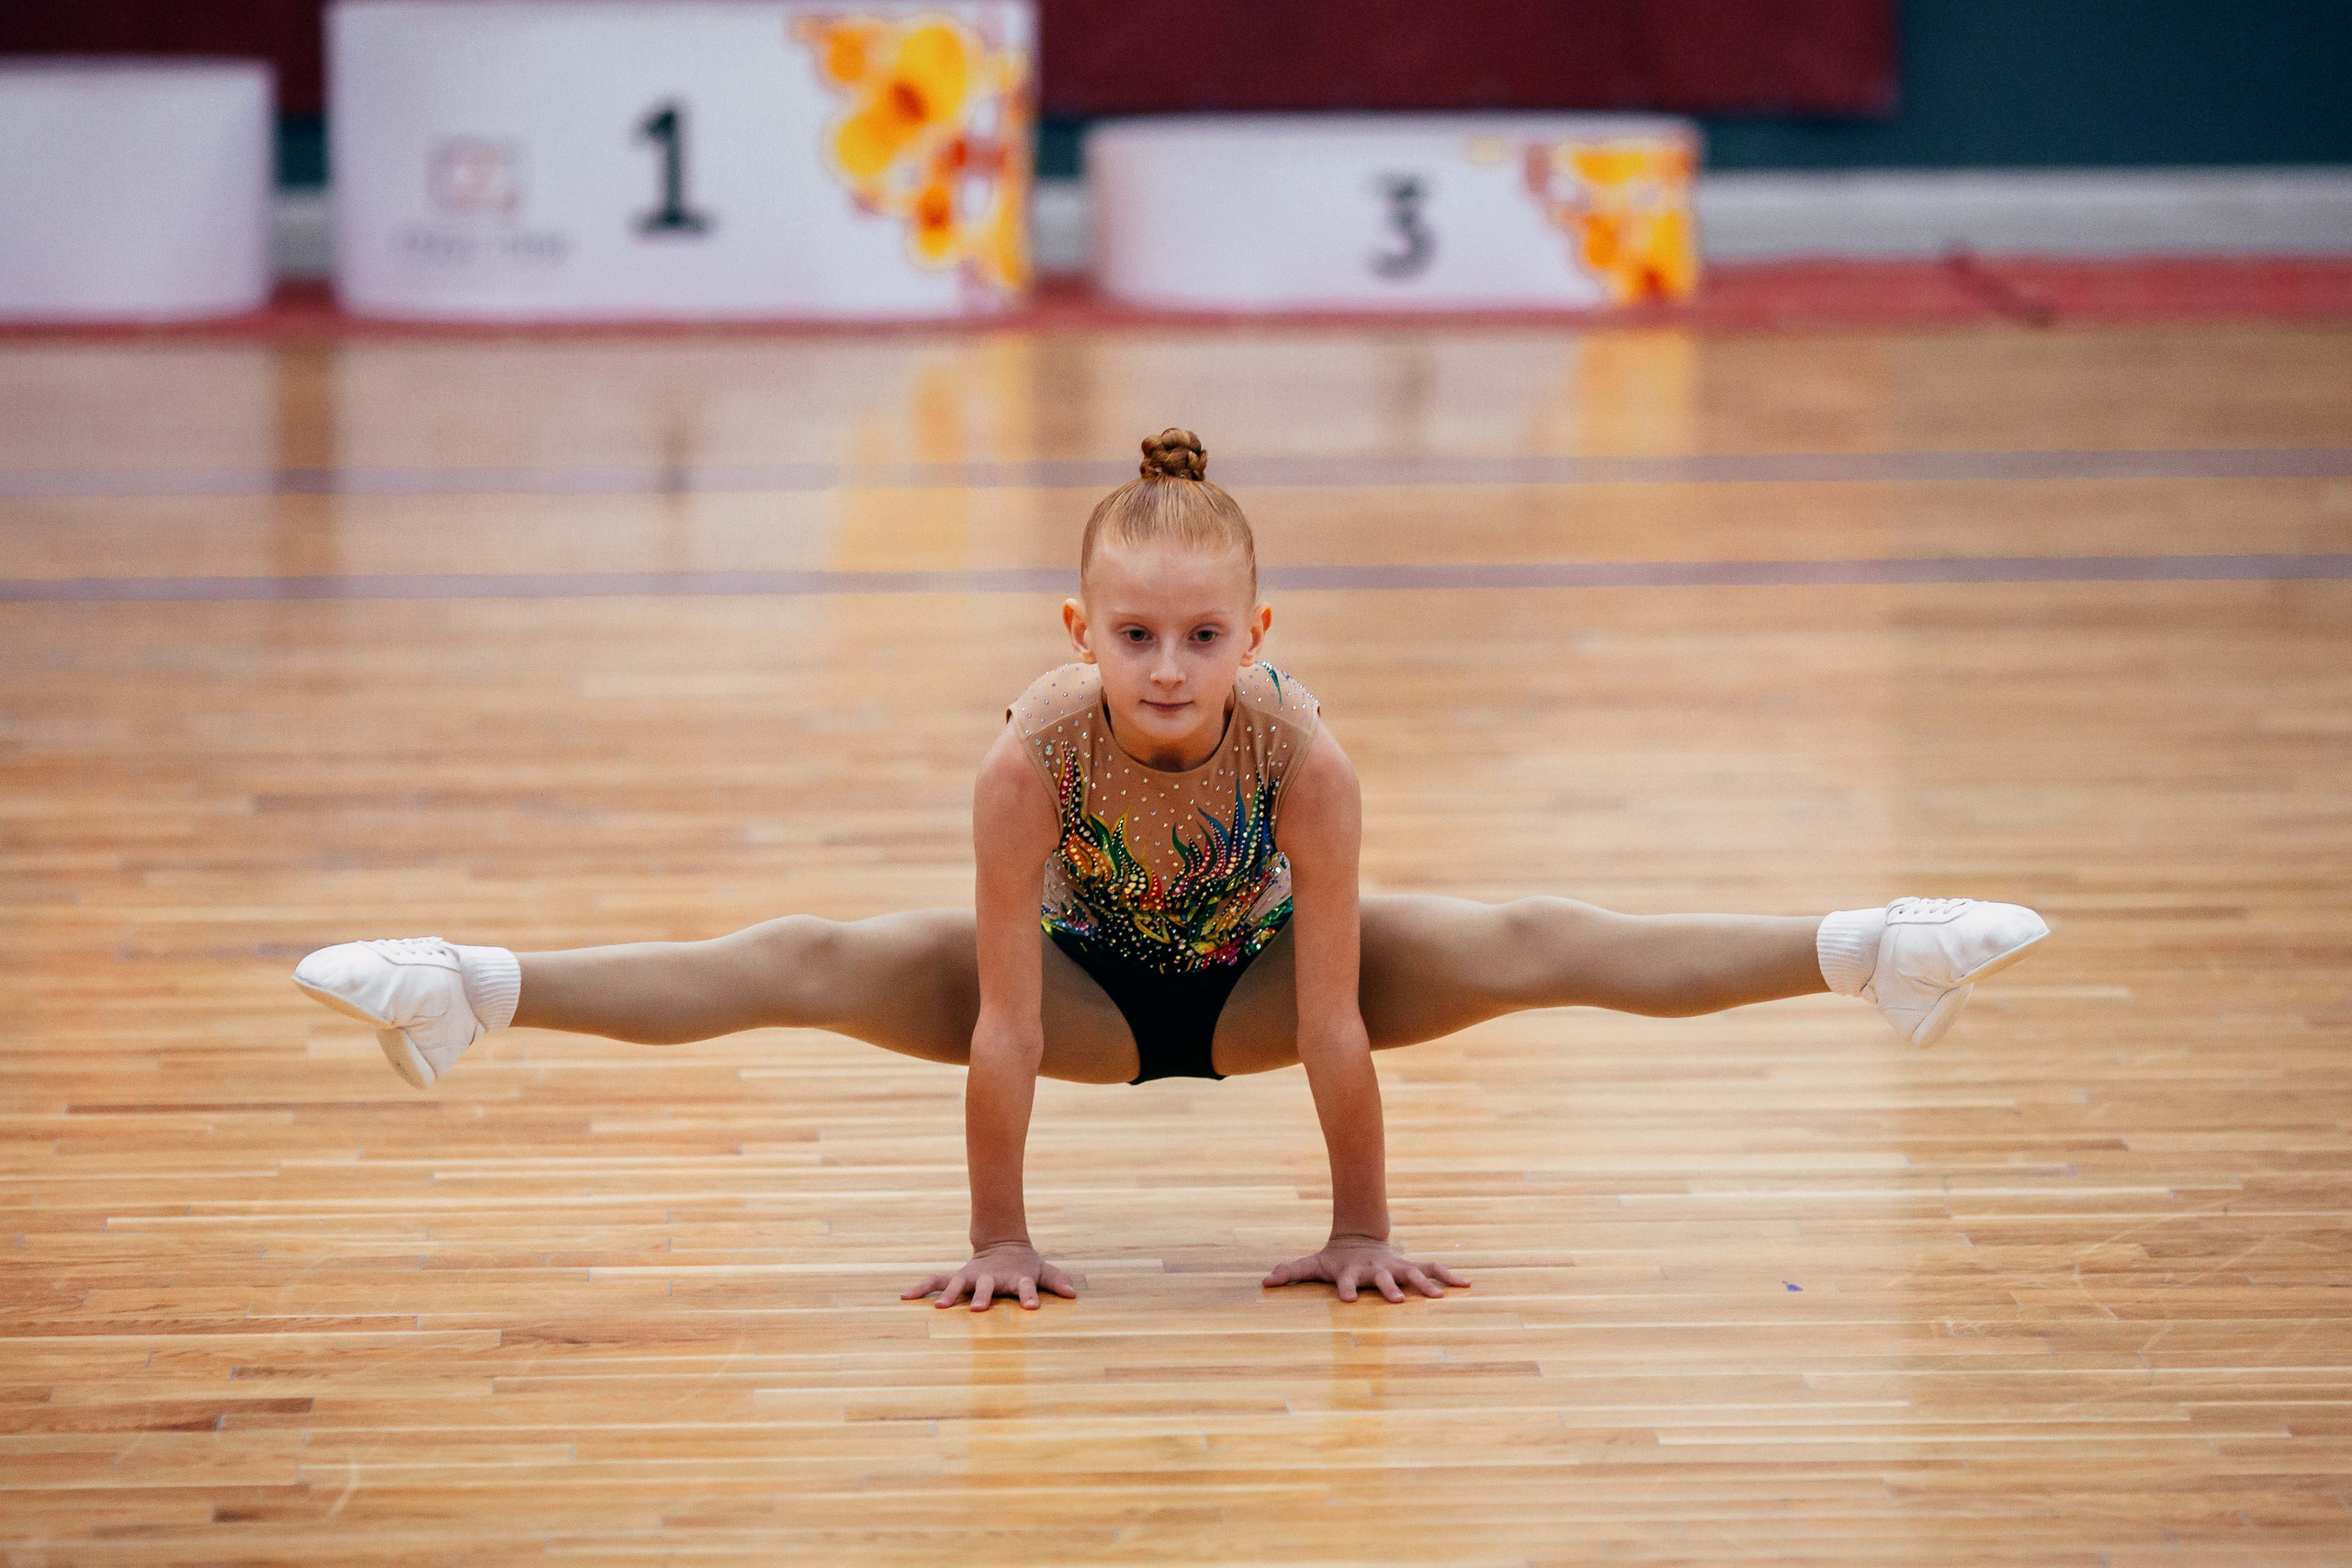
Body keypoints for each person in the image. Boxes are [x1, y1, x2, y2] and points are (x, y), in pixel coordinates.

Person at [293, 428, 2050, 1314]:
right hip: (1077, 1003)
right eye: (1134, 634)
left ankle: (1874, 951)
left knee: (1533, 934)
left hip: (1267, 989)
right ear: (1080, 631)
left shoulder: (1304, 757)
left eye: (1204, 635)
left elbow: (1340, 1020)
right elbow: (999, 1023)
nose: (1167, 665)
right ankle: (466, 989)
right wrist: (1001, 1241)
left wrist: (1360, 1232)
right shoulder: (1029, 759)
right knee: (810, 957)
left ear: (1257, 636)